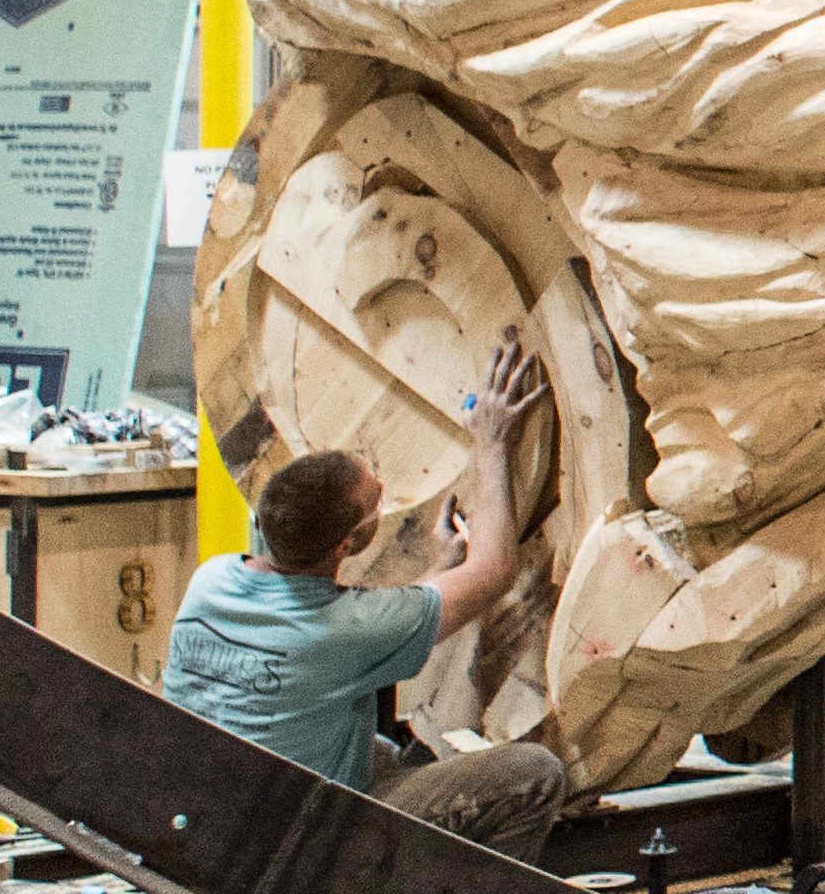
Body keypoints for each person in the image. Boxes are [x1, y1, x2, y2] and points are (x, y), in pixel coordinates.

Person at [161, 333, 574, 858]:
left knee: (378, 749)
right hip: (284, 847)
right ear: (347, 544)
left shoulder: (212, 580)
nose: (382, 491)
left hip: (203, 815)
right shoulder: (344, 630)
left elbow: (356, 627)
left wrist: (438, 571)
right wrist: (491, 444)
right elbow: (493, 572)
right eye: (376, 501)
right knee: (533, 774)